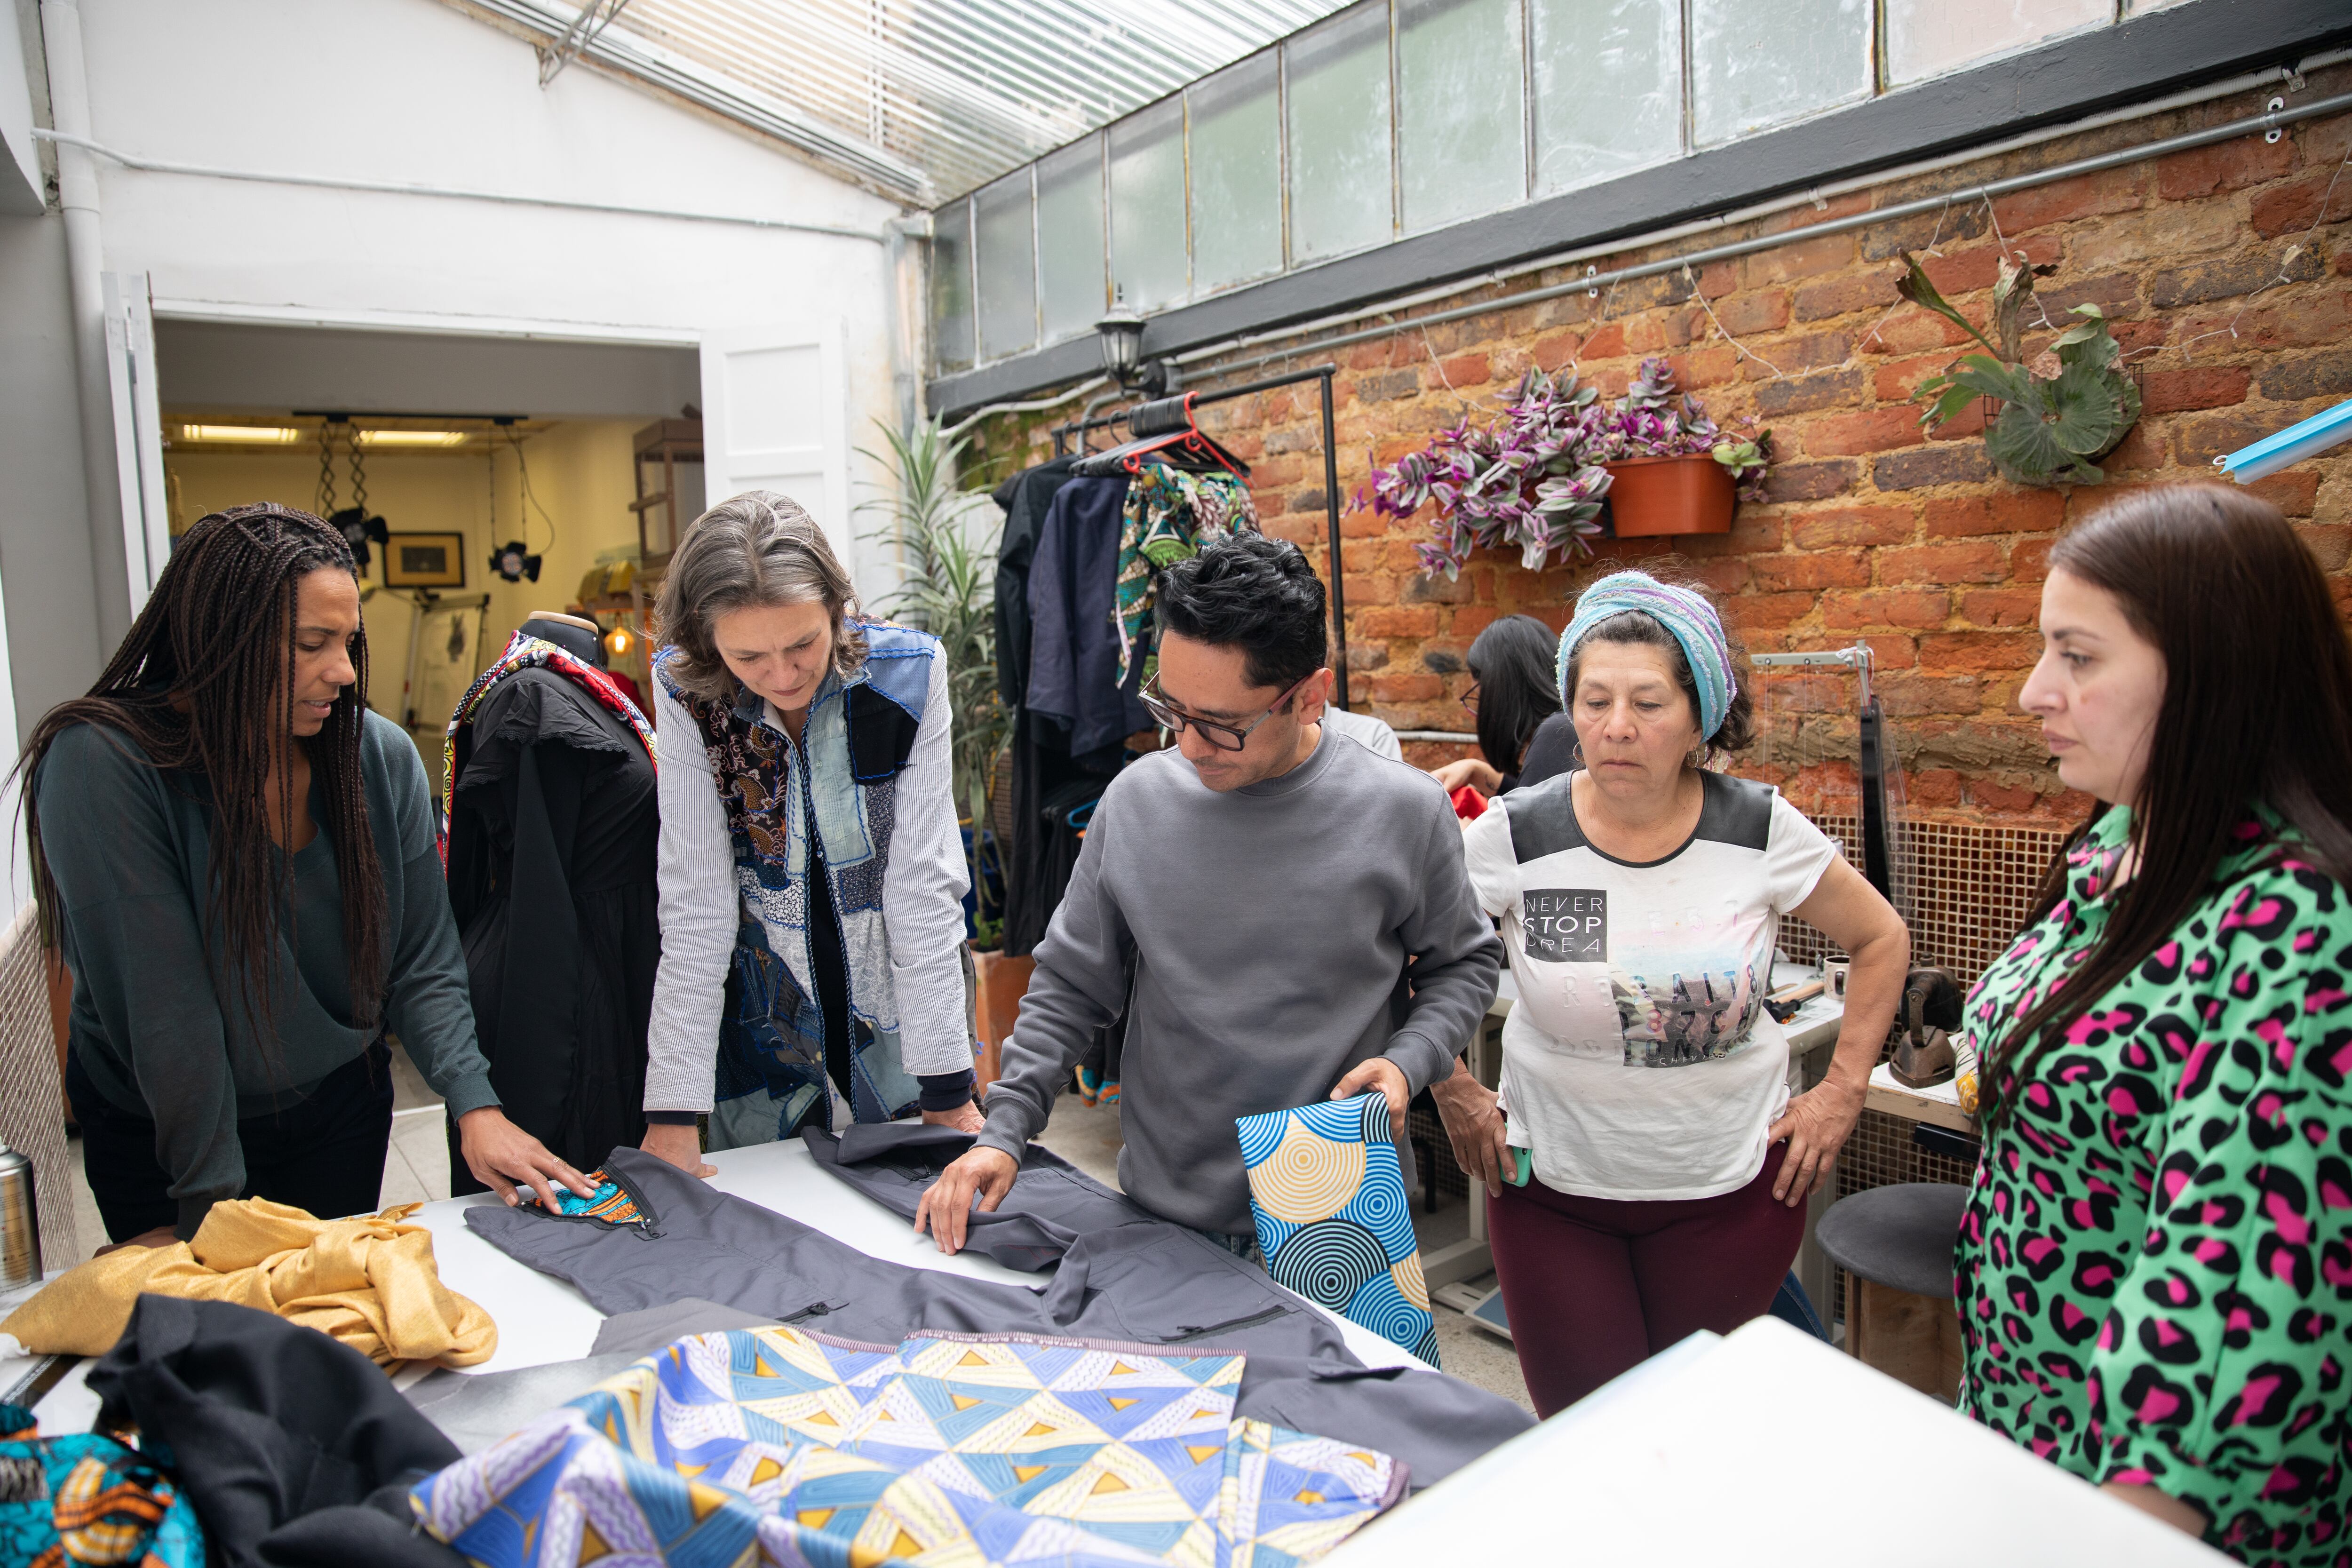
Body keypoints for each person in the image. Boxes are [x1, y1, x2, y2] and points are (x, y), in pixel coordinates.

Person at [1953, 486, 2352, 1562]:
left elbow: (2227, 1291)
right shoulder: (2118, 845)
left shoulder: (2293, 924)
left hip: (2151, 1497)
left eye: (2077, 657)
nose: (2036, 692)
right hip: (2025, 1421)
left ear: (2214, 673)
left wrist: (2124, 1530)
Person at [914, 534, 1503, 1253]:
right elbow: (1071, 985)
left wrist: (1412, 1059)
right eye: (1171, 708)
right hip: (1166, 1210)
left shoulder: (1404, 811)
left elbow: (1464, 965)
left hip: (1349, 1213)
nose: (1187, 747)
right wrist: (1003, 1133)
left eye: (1221, 726)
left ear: (1310, 696)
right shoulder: (1135, 802)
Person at [24, 503, 588, 1247]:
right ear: (217, 640)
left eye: (349, 642)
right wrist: (216, 1221)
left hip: (335, 1104)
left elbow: (422, 960)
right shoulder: (103, 763)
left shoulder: (375, 758)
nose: (345, 671)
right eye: (311, 644)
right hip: (165, 1126)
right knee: (214, 1338)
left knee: (325, 1326)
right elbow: (170, 1024)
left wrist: (474, 1107)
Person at [1444, 569, 1908, 1415]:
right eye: (1594, 700)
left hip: (1729, 1194)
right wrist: (1453, 1086)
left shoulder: (1760, 828)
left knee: (1693, 1431)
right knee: (1591, 1438)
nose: (1616, 728)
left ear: (1700, 717)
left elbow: (1881, 938)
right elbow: (1422, 954)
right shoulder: (1516, 832)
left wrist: (1843, 1092)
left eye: (1649, 703)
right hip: (1552, 1193)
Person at [639, 492, 978, 1175]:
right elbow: (697, 902)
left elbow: (921, 887)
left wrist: (947, 1088)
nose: (783, 674)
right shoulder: (685, 691)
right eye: (750, 658)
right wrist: (673, 1116)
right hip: (768, 1013)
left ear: (836, 606)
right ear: (709, 642)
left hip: (904, 1010)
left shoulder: (909, 675)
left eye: (803, 643)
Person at [441, 611, 659, 1193]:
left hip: (596, 964)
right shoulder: (533, 697)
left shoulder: (582, 691)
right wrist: (541, 1058)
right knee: (570, 1196)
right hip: (557, 983)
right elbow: (541, 881)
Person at [1427, 613, 1563, 798]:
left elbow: (1526, 821)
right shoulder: (1562, 729)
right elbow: (1532, 798)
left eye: (1481, 695)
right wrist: (1476, 770)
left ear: (1501, 692)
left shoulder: (1554, 734)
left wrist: (1463, 827)